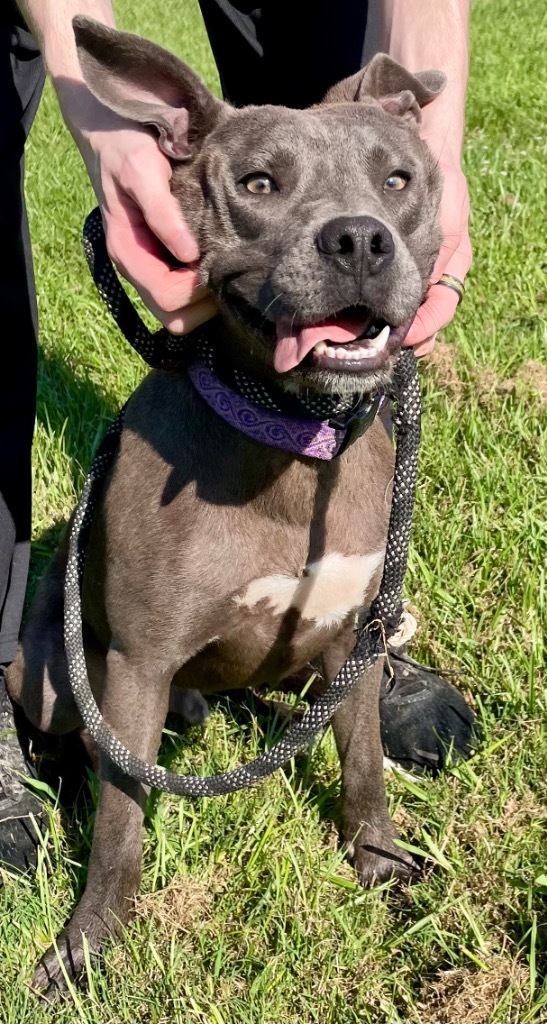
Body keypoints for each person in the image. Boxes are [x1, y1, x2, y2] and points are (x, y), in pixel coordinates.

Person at [0, 0, 474, 873]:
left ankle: (366, 817)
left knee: (354, 627)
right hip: (134, 637)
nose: (357, 233)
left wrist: (419, 96)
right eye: (259, 184)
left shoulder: (381, 452)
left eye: (393, 187)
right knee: (91, 667)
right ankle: (34, 723)